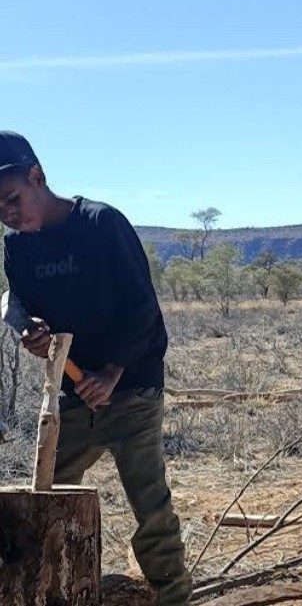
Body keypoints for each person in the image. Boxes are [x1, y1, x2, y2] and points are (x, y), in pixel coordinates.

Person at [0, 131, 191, 605]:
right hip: (73, 395)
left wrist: (112, 373)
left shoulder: (101, 224)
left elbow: (143, 308)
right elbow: (24, 307)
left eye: (12, 199)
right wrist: (34, 335)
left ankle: (174, 598)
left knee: (151, 509)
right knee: (40, 503)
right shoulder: (19, 250)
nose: (8, 213)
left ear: (37, 176)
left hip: (132, 391)